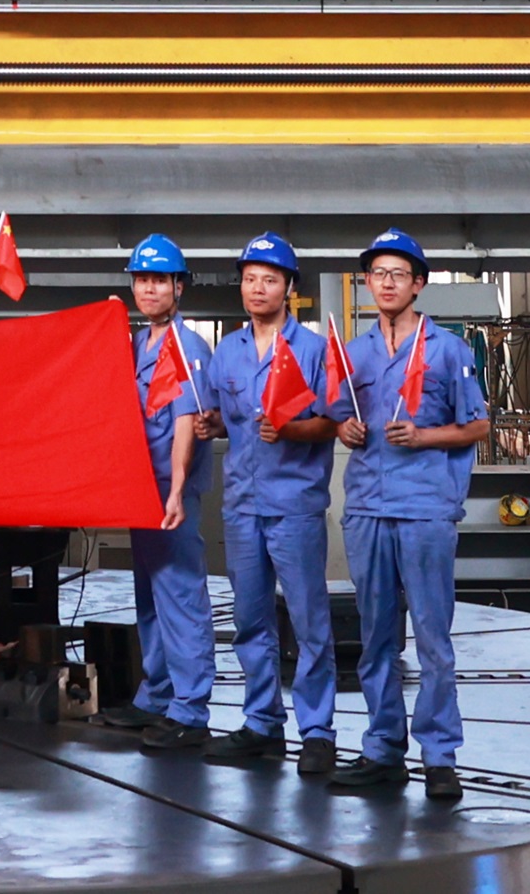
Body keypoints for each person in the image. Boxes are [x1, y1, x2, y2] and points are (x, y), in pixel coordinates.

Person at [331, 229, 491, 802]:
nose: (388, 283)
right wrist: (345, 429)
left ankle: (440, 755)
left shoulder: (448, 349)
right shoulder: (354, 353)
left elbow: (478, 425)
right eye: (378, 273)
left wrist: (423, 436)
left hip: (424, 508)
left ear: (418, 284)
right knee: (375, 636)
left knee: (431, 636)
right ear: (366, 282)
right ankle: (382, 748)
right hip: (368, 508)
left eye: (399, 274)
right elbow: (338, 414)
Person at [195, 231, 344, 778]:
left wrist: (292, 429)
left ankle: (318, 731)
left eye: (269, 280)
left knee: (308, 621)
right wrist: (212, 424)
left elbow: (333, 421)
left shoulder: (313, 351)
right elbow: (224, 418)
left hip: (294, 504)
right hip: (242, 504)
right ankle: (262, 723)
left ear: (289, 288)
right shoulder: (228, 352)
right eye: (250, 279)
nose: (257, 288)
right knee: (250, 620)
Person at [112, 233, 215, 754]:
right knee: (150, 595)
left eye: (158, 280)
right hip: (141, 486)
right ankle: (156, 694)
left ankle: (191, 710)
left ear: (179, 286)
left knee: (180, 596)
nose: (148, 289)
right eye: (141, 280)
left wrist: (175, 491)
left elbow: (185, 423)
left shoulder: (186, 347)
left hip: (169, 492)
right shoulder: (136, 344)